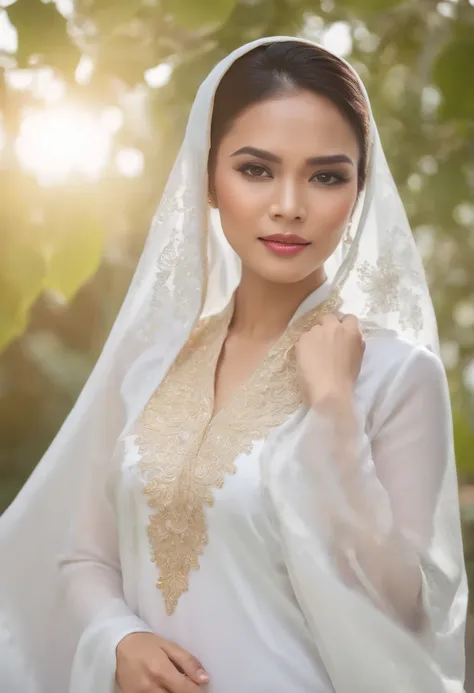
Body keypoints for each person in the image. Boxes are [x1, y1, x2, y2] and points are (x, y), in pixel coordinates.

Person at [0, 36, 467, 693]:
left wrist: (334, 409)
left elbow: (408, 603)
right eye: (256, 169)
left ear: (359, 190)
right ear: (209, 178)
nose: (289, 204)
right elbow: (83, 554)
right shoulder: (152, 364)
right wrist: (118, 638)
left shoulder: (396, 374)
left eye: (326, 175)